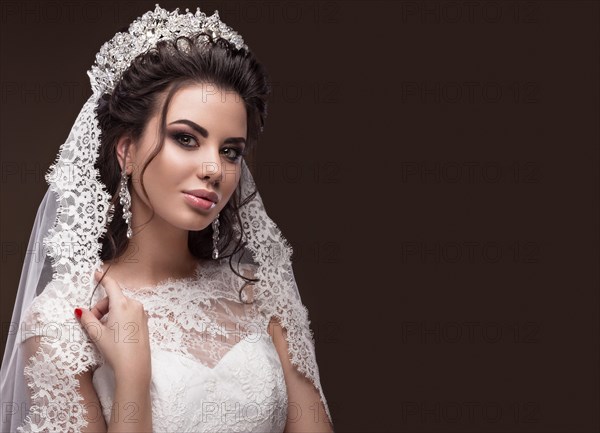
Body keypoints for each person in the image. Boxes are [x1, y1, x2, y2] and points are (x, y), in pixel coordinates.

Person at [0, 4, 334, 432]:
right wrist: (133, 379)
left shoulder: (260, 293)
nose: (214, 168)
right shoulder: (65, 320)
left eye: (230, 150)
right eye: (186, 139)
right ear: (126, 151)